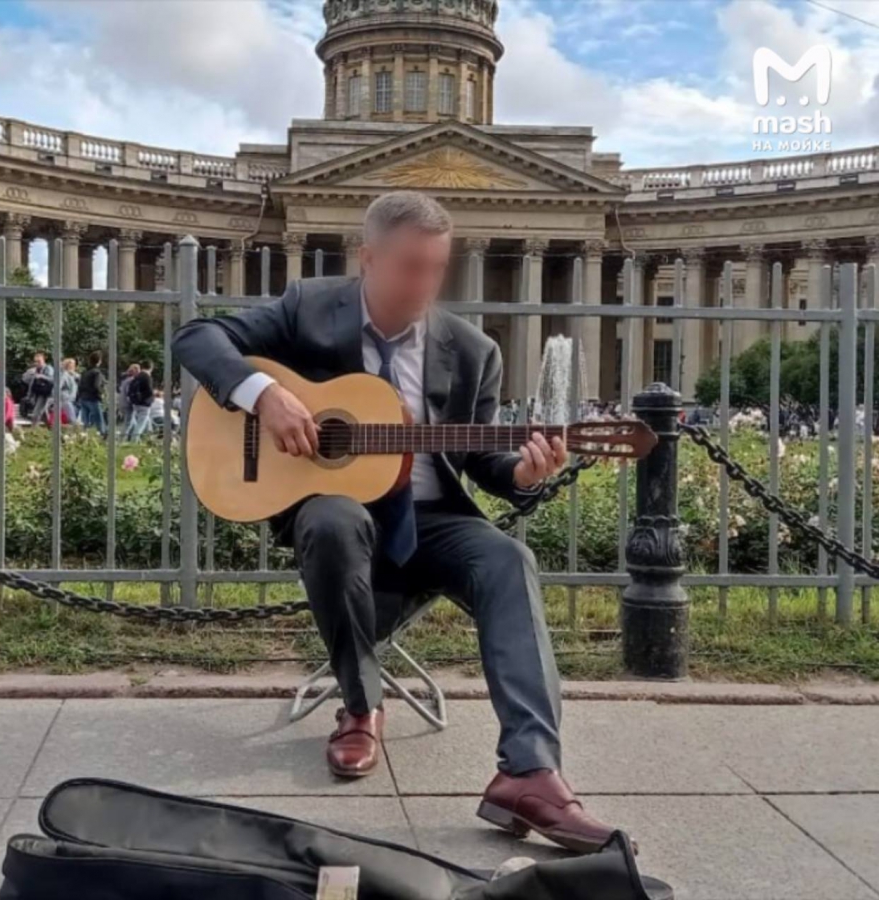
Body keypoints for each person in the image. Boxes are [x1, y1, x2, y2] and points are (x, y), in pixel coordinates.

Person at [172, 191, 632, 856]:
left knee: (509, 560)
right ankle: (361, 707)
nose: (424, 284)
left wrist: (525, 473)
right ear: (367, 258)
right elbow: (198, 337)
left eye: (436, 269)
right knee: (332, 518)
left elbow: (485, 464)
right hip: (338, 512)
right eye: (410, 266)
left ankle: (528, 771)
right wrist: (266, 396)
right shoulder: (309, 306)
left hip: (434, 518)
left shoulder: (472, 350)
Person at [76, 351, 107, 435]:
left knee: (85, 421)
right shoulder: (97, 373)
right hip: (93, 399)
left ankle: (84, 436)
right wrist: (101, 394)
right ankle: (102, 436)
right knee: (99, 420)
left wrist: (79, 397)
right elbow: (97, 385)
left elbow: (80, 386)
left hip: (83, 398)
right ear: (99, 361)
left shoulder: (85, 372)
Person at [125, 361, 155, 441]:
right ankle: (134, 439)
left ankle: (149, 438)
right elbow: (149, 391)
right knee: (141, 423)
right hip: (144, 403)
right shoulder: (147, 377)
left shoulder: (137, 377)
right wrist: (152, 397)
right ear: (151, 368)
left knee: (147, 421)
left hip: (136, 402)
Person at [22, 353, 54, 425]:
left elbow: (52, 380)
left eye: (39, 361)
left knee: (37, 412)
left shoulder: (48, 368)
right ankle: (50, 429)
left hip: (46, 394)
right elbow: (27, 381)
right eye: (35, 361)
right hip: (37, 393)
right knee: (43, 414)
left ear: (43, 360)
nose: (37, 363)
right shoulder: (35, 370)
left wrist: (41, 376)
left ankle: (34, 430)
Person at [118, 364, 140, 431]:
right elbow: (129, 393)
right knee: (128, 423)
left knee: (133, 423)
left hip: (122, 403)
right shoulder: (131, 381)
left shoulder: (125, 380)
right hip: (128, 404)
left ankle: (136, 438)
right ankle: (122, 439)